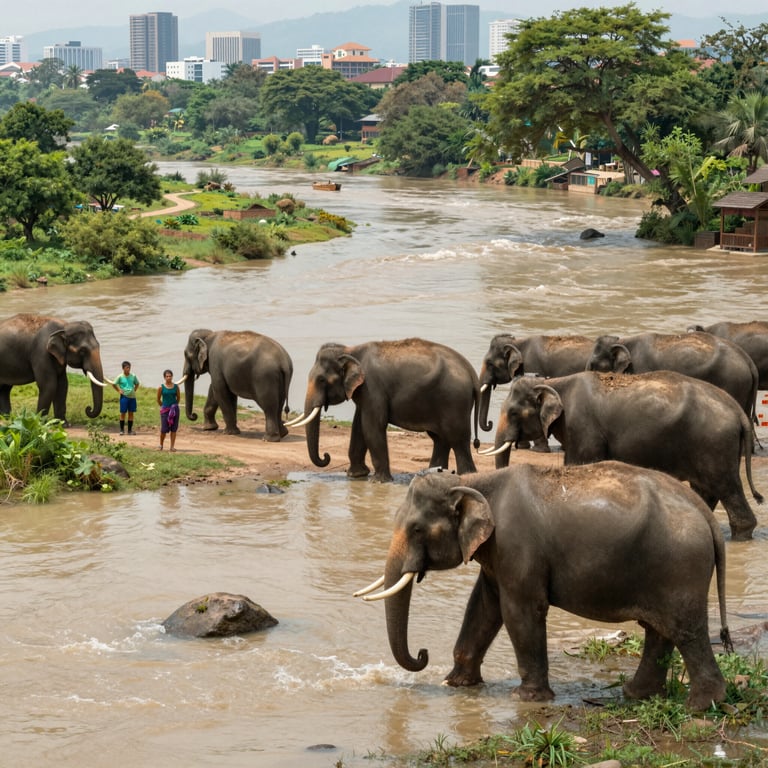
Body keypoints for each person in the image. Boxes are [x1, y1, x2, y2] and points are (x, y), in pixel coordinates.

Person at [112, 361, 140, 435]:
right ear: (123, 368)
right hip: (124, 397)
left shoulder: (133, 376)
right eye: (127, 368)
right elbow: (114, 384)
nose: (128, 369)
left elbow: (137, 383)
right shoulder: (120, 377)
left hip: (132, 397)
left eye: (129, 368)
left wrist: (134, 390)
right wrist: (119, 390)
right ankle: (121, 430)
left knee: (131, 413)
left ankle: (130, 431)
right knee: (123, 413)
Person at [157, 369, 180, 451]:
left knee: (174, 428)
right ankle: (161, 445)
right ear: (164, 377)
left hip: (174, 410)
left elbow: (178, 398)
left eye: (170, 376)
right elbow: (158, 399)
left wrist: (174, 406)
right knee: (163, 429)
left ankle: (172, 446)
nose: (168, 378)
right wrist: (163, 406)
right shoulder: (161, 387)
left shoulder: (176, 387)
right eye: (167, 376)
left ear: (172, 377)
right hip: (165, 410)